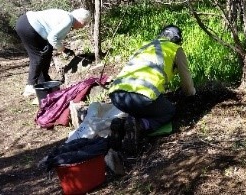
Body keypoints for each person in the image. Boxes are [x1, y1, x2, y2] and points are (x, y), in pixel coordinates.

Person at [108, 24, 196, 154]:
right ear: (176, 39)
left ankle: (121, 127)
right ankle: (140, 126)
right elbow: (188, 85)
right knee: (169, 111)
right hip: (143, 96)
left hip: (117, 96)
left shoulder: (145, 46)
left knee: (141, 109)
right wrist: (191, 95)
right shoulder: (175, 49)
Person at [15, 8, 91, 98]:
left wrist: (62, 49)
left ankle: (44, 81)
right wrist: (63, 50)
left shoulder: (67, 17)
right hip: (28, 26)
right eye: (84, 24)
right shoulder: (68, 20)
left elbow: (54, 38)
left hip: (26, 23)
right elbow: (52, 38)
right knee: (37, 56)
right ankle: (30, 87)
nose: (82, 27)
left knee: (47, 51)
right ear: (81, 21)